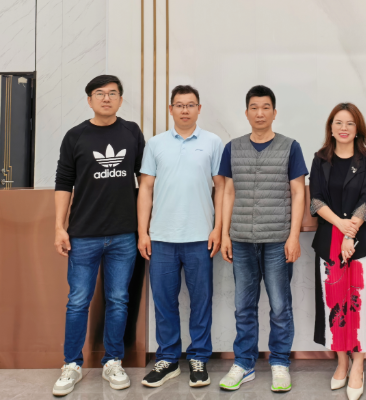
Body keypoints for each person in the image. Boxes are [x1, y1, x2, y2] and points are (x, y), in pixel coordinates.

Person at [52, 75, 145, 396]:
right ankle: (71, 364)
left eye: (113, 93)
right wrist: (59, 226)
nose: (107, 98)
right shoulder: (75, 135)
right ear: (89, 100)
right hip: (83, 234)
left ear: (121, 99)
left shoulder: (131, 131)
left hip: (124, 234)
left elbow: (145, 179)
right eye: (100, 94)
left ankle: (113, 361)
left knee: (118, 299)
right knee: (78, 301)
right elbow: (63, 182)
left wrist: (144, 228)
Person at [218, 85, 308, 393]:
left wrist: (293, 236)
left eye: (265, 107)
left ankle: (280, 363)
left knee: (280, 306)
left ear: (274, 112)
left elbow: (298, 193)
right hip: (241, 239)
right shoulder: (233, 148)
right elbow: (228, 192)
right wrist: (225, 234)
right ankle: (244, 363)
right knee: (244, 306)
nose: (260, 113)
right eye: (254, 108)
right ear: (246, 113)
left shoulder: (290, 147)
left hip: (278, 240)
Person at [137, 85, 224, 388]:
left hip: (201, 236)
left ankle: (199, 357)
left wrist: (219, 228)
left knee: (201, 301)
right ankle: (168, 359)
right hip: (161, 237)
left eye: (190, 104)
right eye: (179, 105)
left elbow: (222, 188)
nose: (185, 110)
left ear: (199, 109)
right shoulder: (155, 143)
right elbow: (145, 189)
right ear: (170, 109)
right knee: (164, 301)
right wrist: (143, 232)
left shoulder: (213, 142)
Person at [309, 103, 366, 400]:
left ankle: (358, 365)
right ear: (330, 128)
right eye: (338, 123)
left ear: (358, 129)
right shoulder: (320, 159)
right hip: (329, 241)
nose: (344, 128)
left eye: (350, 123)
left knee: (360, 303)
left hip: (361, 241)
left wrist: (349, 232)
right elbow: (316, 199)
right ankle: (341, 362)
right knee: (334, 303)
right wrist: (341, 226)